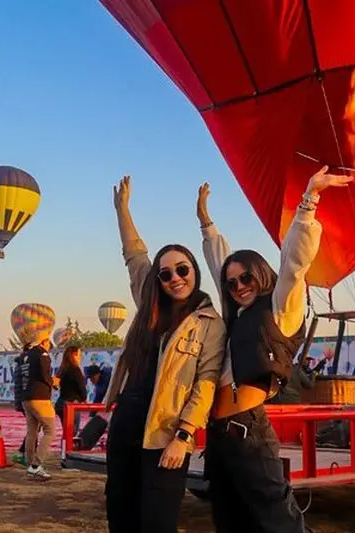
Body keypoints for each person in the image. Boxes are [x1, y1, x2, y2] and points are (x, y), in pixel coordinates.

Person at [197, 166, 352, 533]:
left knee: (280, 523)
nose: (238, 286)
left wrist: (309, 200)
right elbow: (220, 262)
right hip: (218, 435)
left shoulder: (280, 308)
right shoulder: (236, 316)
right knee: (230, 521)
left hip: (248, 432)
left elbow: (294, 265)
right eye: (232, 283)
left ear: (261, 276)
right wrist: (206, 222)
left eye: (246, 278)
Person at [104, 175, 226, 533]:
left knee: (157, 520)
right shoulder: (148, 303)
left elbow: (205, 382)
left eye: (183, 269)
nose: (175, 278)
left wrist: (185, 435)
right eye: (166, 273)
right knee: (120, 512)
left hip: (165, 431)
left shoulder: (208, 322)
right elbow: (134, 254)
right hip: (127, 419)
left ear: (195, 272)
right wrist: (122, 209)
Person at [20, 336, 57, 481]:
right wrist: (53, 382)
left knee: (32, 432)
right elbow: (45, 374)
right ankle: (36, 466)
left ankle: (30, 465)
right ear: (45, 342)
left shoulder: (25, 356)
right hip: (40, 398)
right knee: (50, 430)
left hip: (26, 398)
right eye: (49, 346)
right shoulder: (42, 354)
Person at [54, 346, 87, 435]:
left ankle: (64, 448)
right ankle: (68, 449)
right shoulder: (75, 369)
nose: (80, 358)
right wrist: (83, 398)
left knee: (67, 433)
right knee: (72, 433)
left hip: (61, 402)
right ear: (73, 355)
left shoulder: (63, 368)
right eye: (79, 355)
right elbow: (81, 386)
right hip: (71, 404)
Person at [11, 345, 30, 466]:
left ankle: (24, 453)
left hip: (23, 400)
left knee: (34, 428)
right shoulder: (24, 366)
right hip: (26, 400)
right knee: (34, 428)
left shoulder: (20, 365)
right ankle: (24, 453)